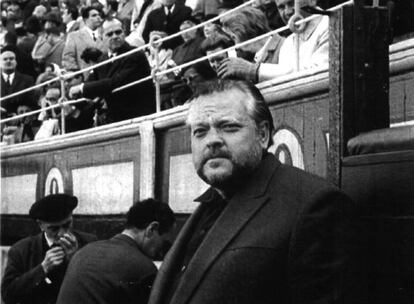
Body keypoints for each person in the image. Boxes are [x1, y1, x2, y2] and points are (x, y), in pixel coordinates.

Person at [148, 79, 358, 304]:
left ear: (263, 134)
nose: (212, 141)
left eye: (229, 127)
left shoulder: (314, 204)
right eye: (200, 132)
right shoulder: (210, 203)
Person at [56, 199, 176, 304]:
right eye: (164, 242)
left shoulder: (85, 250)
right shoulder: (144, 268)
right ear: (152, 229)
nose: (161, 251)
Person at [1, 194, 97, 304]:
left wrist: (75, 260)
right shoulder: (21, 250)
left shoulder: (89, 242)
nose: (62, 233)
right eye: (54, 229)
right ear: (41, 225)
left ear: (72, 217)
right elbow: (8, 295)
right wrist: (42, 269)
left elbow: (97, 288)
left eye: (67, 225)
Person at [218, 0, 328, 82]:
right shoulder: (289, 42)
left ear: (311, 1)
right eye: (281, 7)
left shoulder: (328, 25)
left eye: (291, 3)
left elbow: (316, 76)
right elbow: (285, 84)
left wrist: (253, 70)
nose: (288, 11)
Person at [69, 19, 155, 123]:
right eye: (109, 34)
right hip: (115, 117)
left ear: (124, 33)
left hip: (138, 115)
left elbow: (116, 82)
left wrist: (82, 88)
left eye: (118, 32)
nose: (115, 36)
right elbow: (91, 82)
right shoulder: (103, 59)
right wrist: (73, 102)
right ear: (101, 38)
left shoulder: (135, 54)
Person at [216, 6, 284, 82]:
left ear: (245, 31)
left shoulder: (284, 45)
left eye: (234, 38)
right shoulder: (252, 56)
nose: (236, 46)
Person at [62, 6, 105, 71]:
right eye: (94, 15)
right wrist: (77, 75)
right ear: (85, 19)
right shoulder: (74, 36)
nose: (98, 17)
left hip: (104, 75)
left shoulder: (106, 34)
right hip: (84, 76)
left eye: (99, 15)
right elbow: (68, 58)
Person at [0, 46, 35, 117]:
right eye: (5, 59)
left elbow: (30, 102)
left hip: (19, 119)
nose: (8, 61)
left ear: (16, 62)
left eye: (11, 59)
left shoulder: (27, 80)